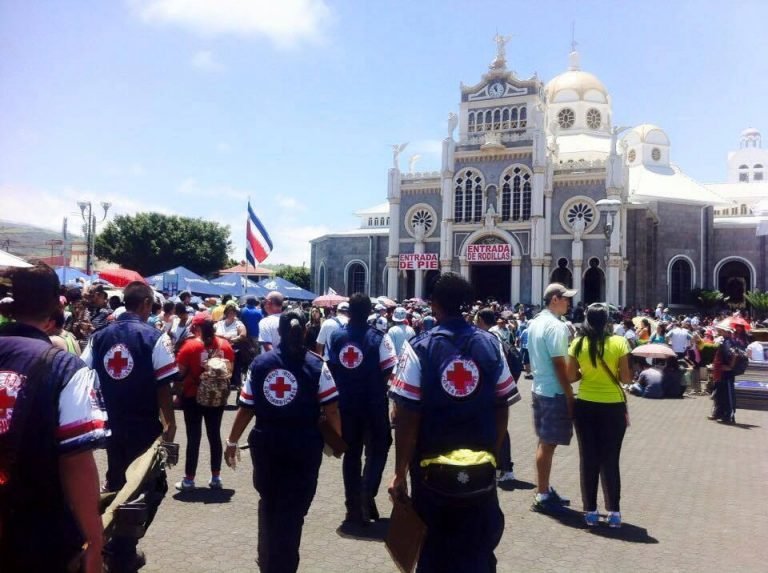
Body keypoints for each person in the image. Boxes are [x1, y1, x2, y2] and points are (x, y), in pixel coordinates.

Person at [388, 273, 517, 571]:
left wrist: (399, 473)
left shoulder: (419, 347)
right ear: (468, 305)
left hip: (431, 473)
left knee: (434, 551)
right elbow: (502, 407)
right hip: (480, 472)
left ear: (434, 305)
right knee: (478, 550)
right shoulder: (490, 345)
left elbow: (407, 417)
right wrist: (493, 453)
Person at [0, 264, 109, 573]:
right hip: (38, 535)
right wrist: (94, 540)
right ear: (55, 305)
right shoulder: (65, 368)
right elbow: (76, 462)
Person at [225, 310, 341, 573]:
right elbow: (331, 408)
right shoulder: (317, 364)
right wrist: (336, 441)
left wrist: (232, 441)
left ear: (279, 332)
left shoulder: (260, 363)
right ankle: (284, 563)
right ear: (303, 333)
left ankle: (268, 559)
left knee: (269, 501)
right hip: (304, 446)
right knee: (294, 509)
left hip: (267, 445)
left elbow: (246, 407)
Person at [82, 280, 178, 569]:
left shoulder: (99, 337)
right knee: (149, 487)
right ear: (146, 304)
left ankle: (114, 543)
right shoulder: (154, 337)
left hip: (110, 427)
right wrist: (170, 427)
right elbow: (164, 387)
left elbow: (83, 374)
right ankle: (123, 549)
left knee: (118, 482)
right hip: (143, 428)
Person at [326, 293, 397, 526]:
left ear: (348, 311)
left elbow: (332, 369)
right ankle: (367, 492)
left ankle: (352, 506)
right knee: (379, 447)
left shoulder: (336, 337)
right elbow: (389, 370)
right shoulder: (379, 338)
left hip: (346, 405)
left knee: (352, 454)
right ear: (369, 313)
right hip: (373, 404)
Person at [566, 303, 632, 528]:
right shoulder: (619, 343)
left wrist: (586, 371)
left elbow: (570, 376)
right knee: (611, 459)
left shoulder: (578, 343)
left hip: (585, 405)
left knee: (589, 459)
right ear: (607, 321)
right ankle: (614, 512)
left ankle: (591, 511)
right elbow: (625, 378)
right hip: (613, 406)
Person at [527, 283, 577, 514]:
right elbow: (559, 364)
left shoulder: (535, 322)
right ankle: (543, 494)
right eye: (566, 298)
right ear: (555, 299)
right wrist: (569, 395)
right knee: (548, 444)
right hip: (553, 391)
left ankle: (543, 488)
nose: (569, 302)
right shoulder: (556, 327)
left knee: (544, 442)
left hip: (539, 388)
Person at [175, 313, 234, 491]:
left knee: (194, 437)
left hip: (192, 395)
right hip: (217, 397)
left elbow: (179, 374)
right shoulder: (225, 345)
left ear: (197, 328)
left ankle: (189, 479)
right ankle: (216, 477)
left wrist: (178, 394)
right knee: (214, 434)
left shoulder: (189, 346)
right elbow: (229, 371)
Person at [475, 307, 519, 484]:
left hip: (493, 387)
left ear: (481, 321)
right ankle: (502, 467)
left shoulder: (489, 336)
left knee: (498, 427)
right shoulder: (498, 333)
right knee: (499, 426)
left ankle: (504, 468)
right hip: (501, 384)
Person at [709, 323, 737, 423]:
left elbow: (735, 354)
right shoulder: (724, 341)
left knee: (728, 395)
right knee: (719, 394)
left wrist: (730, 367)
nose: (720, 331)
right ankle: (718, 413)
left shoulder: (730, 342)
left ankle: (728, 416)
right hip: (721, 372)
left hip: (727, 373)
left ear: (727, 332)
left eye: (722, 330)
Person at [215, 301, 247, 387]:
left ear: (236, 313)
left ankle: (233, 383)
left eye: (233, 312)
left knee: (232, 368)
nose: (231, 313)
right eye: (229, 312)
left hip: (232, 349)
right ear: (226, 313)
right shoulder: (219, 323)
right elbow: (212, 333)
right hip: (219, 349)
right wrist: (222, 336)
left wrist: (232, 340)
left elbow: (243, 335)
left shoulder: (238, 323)